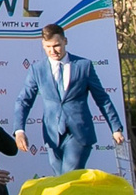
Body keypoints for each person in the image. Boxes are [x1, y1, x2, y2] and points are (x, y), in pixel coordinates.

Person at [12, 23, 126, 173]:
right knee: (62, 182)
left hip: (79, 133)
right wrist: (19, 130)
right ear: (43, 45)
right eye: (48, 47)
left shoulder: (83, 66)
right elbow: (24, 101)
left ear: (65, 41)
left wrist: (115, 128)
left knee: (69, 176)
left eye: (57, 45)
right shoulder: (37, 69)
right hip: (52, 135)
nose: (53, 51)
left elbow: (102, 98)